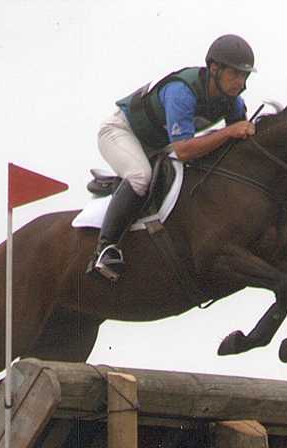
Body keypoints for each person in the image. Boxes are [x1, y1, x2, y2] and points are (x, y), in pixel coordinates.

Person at [87, 34, 257, 281]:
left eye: (245, 76)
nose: (240, 83)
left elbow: (239, 144)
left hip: (158, 144)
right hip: (120, 132)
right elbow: (184, 151)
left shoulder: (232, 101)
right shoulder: (181, 92)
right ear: (214, 69)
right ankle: (105, 249)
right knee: (140, 176)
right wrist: (229, 131)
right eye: (235, 74)